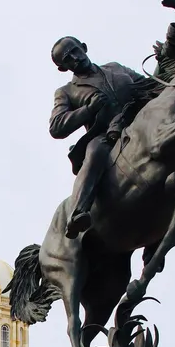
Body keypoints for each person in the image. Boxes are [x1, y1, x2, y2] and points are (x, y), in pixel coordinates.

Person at [48, 36, 147, 239]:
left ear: (84, 47)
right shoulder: (66, 92)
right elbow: (56, 127)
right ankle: (78, 212)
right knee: (95, 152)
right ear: (63, 67)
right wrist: (87, 109)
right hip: (106, 136)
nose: (75, 58)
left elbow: (147, 86)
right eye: (68, 59)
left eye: (75, 51)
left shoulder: (115, 68)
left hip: (138, 124)